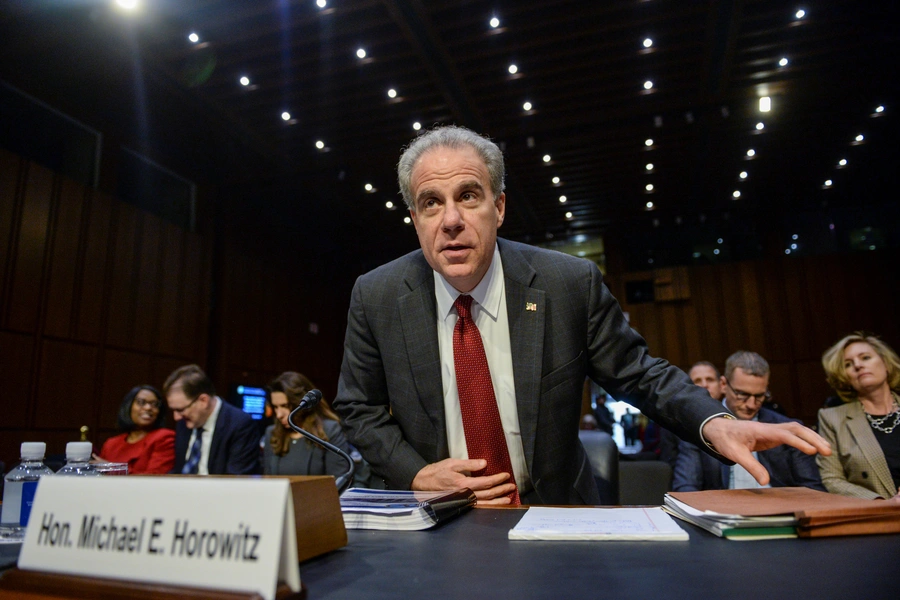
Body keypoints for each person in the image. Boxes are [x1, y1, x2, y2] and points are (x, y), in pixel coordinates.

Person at [332, 125, 830, 505]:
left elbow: (640, 374)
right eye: (431, 203)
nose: (452, 220)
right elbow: (359, 409)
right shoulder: (376, 296)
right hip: (435, 516)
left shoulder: (567, 283)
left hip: (556, 513)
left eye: (468, 195)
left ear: (499, 206)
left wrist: (715, 423)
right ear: (415, 219)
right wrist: (417, 474)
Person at [672, 352, 824, 491]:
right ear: (724, 385)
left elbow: (813, 488)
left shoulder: (784, 428)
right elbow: (686, 488)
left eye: (759, 396)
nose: (751, 404)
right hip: (721, 513)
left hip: (781, 510)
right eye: (742, 394)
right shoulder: (701, 427)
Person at [818, 333, 900, 502]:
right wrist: (881, 503)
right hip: (877, 516)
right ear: (845, 377)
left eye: (866, 357)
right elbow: (832, 479)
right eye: (848, 364)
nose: (858, 365)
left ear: (886, 363)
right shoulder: (832, 418)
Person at [164, 364, 261, 475]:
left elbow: (236, 479)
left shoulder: (240, 424)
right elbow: (178, 470)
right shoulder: (185, 422)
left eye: (180, 410)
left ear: (203, 401)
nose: (176, 417)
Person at [263, 372, 353, 478]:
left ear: (301, 403)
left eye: (285, 406)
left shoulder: (329, 430)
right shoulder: (272, 433)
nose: (279, 414)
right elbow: (268, 478)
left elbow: (338, 481)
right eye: (276, 407)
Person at [660, 361, 725, 468]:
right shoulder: (670, 425)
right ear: (688, 388)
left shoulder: (734, 416)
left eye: (710, 380)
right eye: (697, 381)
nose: (704, 385)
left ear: (721, 385)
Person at [98, 385, 175, 474]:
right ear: (128, 406)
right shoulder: (111, 444)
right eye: (141, 402)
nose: (148, 408)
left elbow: (154, 479)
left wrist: (112, 468)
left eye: (154, 404)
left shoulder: (164, 438)